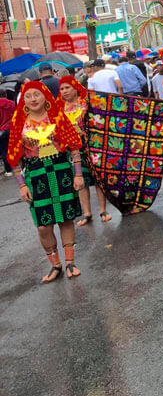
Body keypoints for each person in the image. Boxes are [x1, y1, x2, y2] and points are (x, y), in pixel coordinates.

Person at [7, 82, 84, 282]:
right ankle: (55, 265)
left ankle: (70, 262)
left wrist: (78, 174)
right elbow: (14, 157)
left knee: (65, 219)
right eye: (28, 96)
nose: (33, 99)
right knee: (43, 225)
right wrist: (22, 185)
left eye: (37, 95)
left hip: (61, 173)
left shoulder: (58, 117)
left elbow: (74, 147)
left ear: (45, 96)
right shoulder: (19, 123)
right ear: (23, 101)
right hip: (36, 176)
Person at [58, 75, 112, 225]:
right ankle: (87, 213)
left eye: (67, 87)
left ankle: (102, 210)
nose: (64, 91)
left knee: (97, 178)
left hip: (92, 145)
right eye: (62, 89)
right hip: (73, 150)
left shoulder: (87, 103)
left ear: (75, 87)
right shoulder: (59, 109)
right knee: (81, 180)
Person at [0, 89, 16, 176]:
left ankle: (9, 170)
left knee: (4, 150)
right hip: (12, 128)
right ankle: (20, 167)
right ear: (5, 94)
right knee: (15, 148)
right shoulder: (11, 103)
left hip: (1, 131)